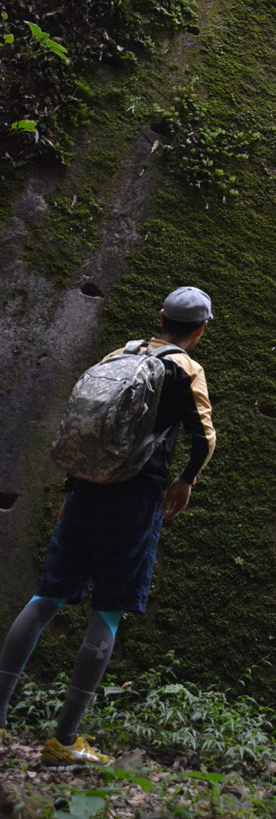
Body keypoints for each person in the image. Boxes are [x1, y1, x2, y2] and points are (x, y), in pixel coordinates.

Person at [0, 286, 217, 766]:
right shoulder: (186, 368)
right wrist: (185, 480)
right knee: (109, 610)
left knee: (45, 598)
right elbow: (204, 437)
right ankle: (65, 739)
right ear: (201, 329)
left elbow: (85, 426)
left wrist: (70, 490)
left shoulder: (119, 354)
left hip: (84, 490)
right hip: (135, 500)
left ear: (160, 316)